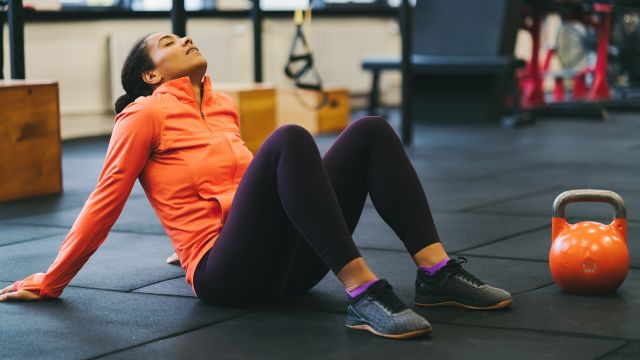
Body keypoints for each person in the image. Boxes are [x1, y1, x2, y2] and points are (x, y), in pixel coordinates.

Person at [0, 32, 512, 339]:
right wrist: (52, 279)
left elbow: (247, 193)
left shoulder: (222, 106)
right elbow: (103, 201)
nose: (183, 40)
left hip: (287, 265)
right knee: (289, 138)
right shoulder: (142, 115)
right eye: (167, 44)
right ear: (149, 77)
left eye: (182, 36)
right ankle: (364, 291)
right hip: (227, 277)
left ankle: (436, 274)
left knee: (370, 130)